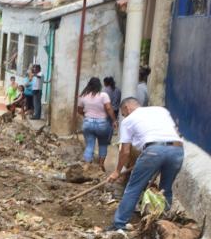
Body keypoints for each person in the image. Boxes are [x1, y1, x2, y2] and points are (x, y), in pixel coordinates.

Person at [106, 99, 184, 231]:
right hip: (177, 150)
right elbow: (175, 131)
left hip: (153, 150)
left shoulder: (128, 121)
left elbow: (125, 151)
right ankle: (162, 224)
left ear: (127, 108)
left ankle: (119, 224)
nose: (124, 116)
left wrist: (117, 171)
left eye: (124, 113)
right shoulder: (161, 110)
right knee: (165, 188)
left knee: (134, 188)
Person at [77, 77, 116, 169]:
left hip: (88, 122)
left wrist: (87, 115)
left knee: (90, 144)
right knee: (102, 144)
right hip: (102, 123)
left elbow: (79, 110)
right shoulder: (103, 95)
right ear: (99, 85)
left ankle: (87, 165)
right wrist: (114, 120)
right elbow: (109, 108)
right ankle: (100, 165)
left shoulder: (83, 96)